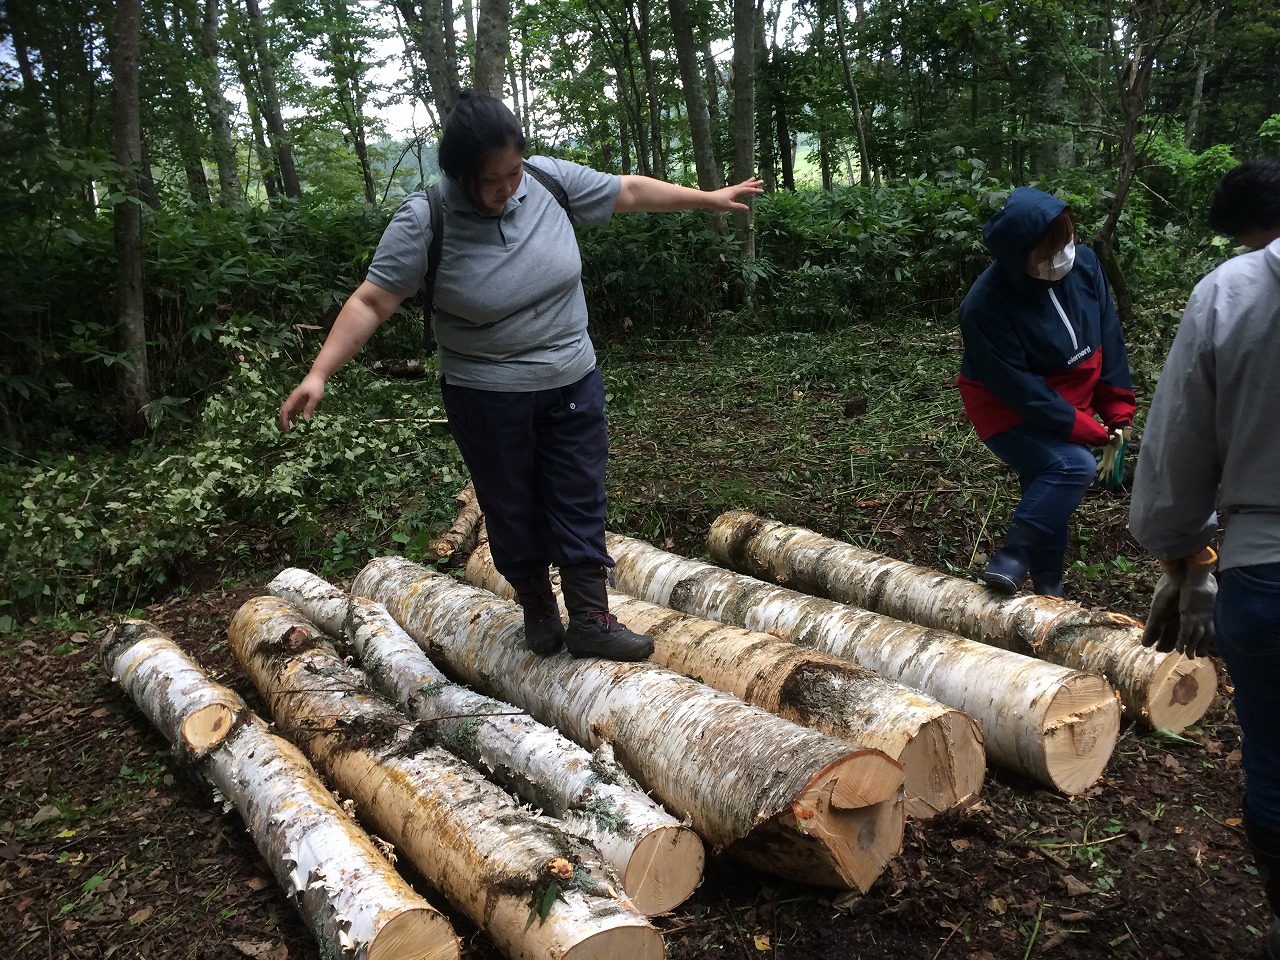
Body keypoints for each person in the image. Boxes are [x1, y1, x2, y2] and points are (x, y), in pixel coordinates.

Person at [278, 90, 763, 663]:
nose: (509, 188)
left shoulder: (546, 182)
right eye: (492, 179)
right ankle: (537, 605)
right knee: (510, 503)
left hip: (572, 377)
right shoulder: (425, 218)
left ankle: (589, 616)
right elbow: (373, 300)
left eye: (514, 172)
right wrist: (319, 372)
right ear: (459, 174)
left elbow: (626, 189)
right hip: (487, 394)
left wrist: (706, 197)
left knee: (580, 491)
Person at [1129, 156, 1280, 958]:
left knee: (1277, 762)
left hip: (1267, 569)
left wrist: (1184, 554)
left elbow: (1180, 443)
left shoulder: (1232, 290)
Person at [957, 187, 1135, 597]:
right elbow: (1021, 390)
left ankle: (1048, 587)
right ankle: (1014, 555)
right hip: (1005, 404)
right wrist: (1087, 431)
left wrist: (1117, 408)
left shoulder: (1086, 265)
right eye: (1049, 251)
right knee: (1071, 466)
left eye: (1068, 242)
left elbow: (1108, 336)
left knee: (1049, 479)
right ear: (1019, 255)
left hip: (1072, 394)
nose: (1064, 257)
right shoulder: (984, 306)